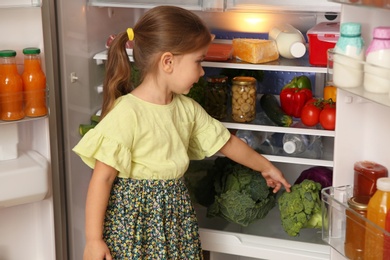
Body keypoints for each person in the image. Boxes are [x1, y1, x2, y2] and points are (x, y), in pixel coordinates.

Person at [73, 5, 291, 260]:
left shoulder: (187, 109)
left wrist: (265, 166)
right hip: (133, 227)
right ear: (168, 62)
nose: (202, 72)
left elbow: (227, 143)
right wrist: (93, 240)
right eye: (198, 61)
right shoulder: (127, 113)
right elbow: (102, 179)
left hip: (176, 221)